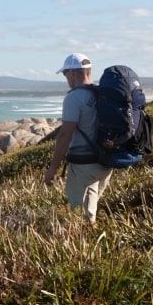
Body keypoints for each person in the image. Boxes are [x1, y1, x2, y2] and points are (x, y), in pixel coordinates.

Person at [44, 53, 113, 225]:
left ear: (73, 73)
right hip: (105, 162)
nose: (65, 77)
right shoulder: (100, 93)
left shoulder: (74, 97)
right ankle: (93, 239)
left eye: (65, 73)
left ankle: (85, 248)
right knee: (89, 215)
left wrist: (52, 168)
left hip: (83, 165)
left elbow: (65, 134)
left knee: (77, 217)